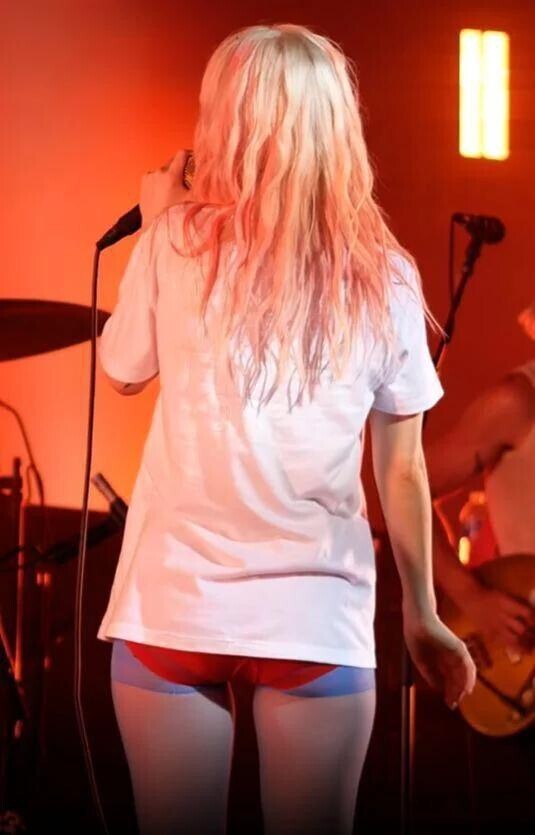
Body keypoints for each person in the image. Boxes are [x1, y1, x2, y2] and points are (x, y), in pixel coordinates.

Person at [97, 23, 476, 835]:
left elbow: (122, 372)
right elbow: (401, 470)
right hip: (315, 614)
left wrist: (160, 218)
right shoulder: (385, 276)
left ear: (224, 122)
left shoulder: (173, 243)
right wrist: (420, 612)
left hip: (175, 603)